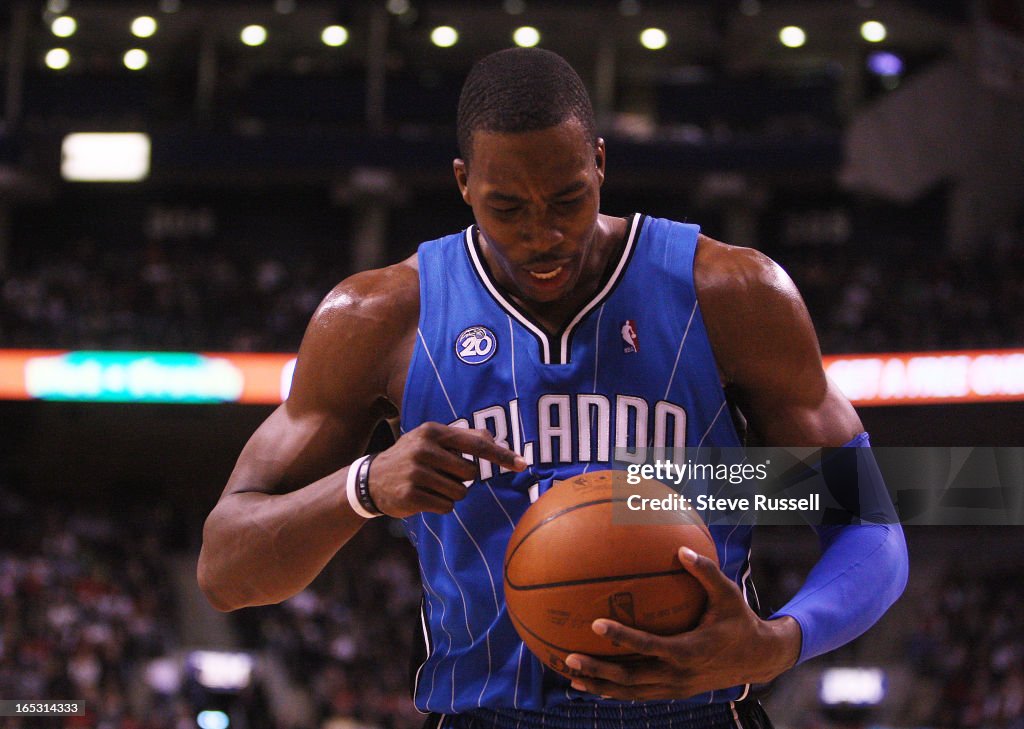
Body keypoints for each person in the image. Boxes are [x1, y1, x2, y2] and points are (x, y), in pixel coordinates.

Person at [198, 48, 908, 728]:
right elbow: (225, 570)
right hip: (483, 713)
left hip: (697, 710)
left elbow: (870, 524)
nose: (544, 234)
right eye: (508, 207)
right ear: (462, 183)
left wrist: (781, 639)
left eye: (568, 198)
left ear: (600, 162)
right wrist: (365, 485)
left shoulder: (732, 292)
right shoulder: (379, 317)